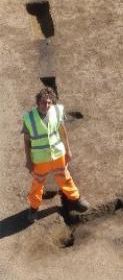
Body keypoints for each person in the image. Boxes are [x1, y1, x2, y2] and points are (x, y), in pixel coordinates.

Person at [23, 87, 90, 223]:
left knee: (65, 177)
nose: (46, 105)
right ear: (38, 102)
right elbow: (26, 141)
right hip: (40, 159)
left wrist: (68, 150)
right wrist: (28, 160)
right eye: (43, 102)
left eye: (48, 103)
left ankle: (75, 200)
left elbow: (63, 132)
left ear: (52, 103)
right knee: (37, 184)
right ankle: (34, 209)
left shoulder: (57, 112)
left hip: (58, 155)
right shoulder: (29, 118)